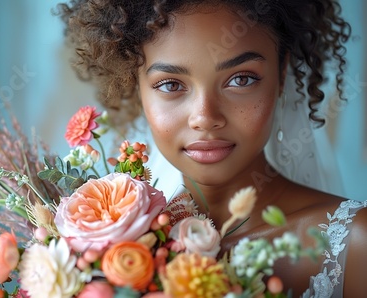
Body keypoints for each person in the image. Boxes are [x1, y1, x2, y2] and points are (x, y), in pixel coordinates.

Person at [57, 0, 367, 296]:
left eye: (241, 79)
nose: (205, 118)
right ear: (135, 85)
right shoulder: (105, 248)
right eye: (170, 84)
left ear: (281, 74)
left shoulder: (354, 245)